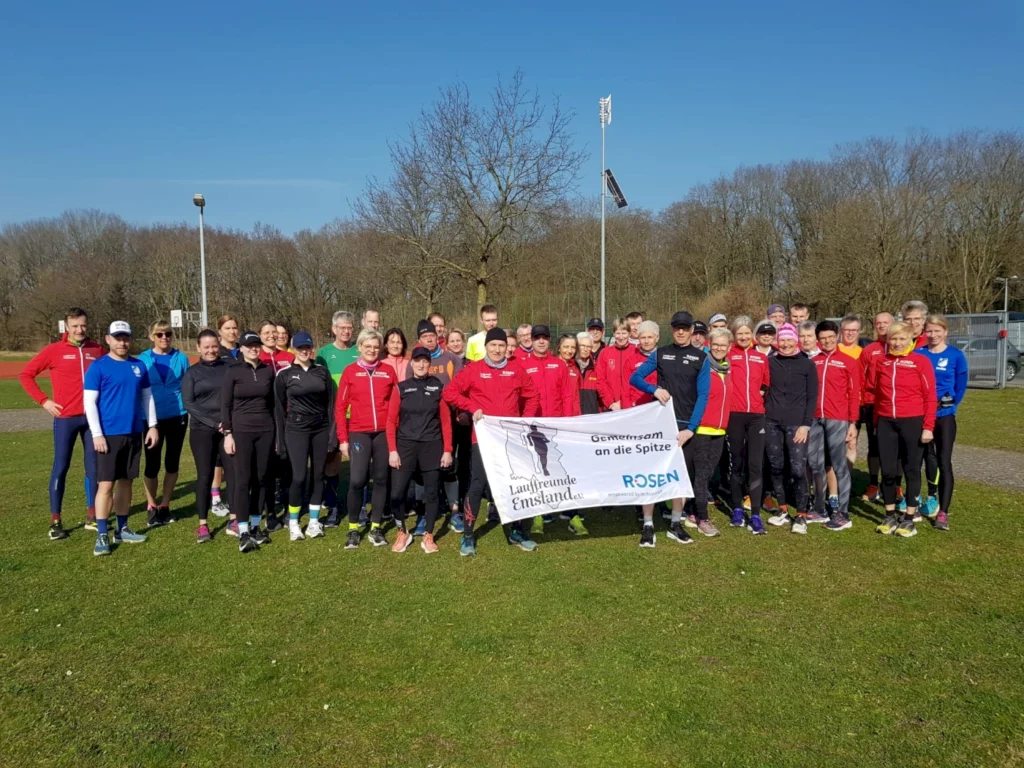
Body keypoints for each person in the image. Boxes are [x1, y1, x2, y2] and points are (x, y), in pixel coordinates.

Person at [443, 327, 541, 556]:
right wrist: (471, 407)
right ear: (485, 347)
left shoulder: (516, 369)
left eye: (501, 346)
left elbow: (533, 395)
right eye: (493, 345)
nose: (497, 350)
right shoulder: (474, 370)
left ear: (507, 348)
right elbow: (450, 393)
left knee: (514, 484)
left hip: (510, 438)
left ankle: (516, 530)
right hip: (483, 439)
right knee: (477, 484)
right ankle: (468, 535)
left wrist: (523, 422)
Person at [19, 306, 104, 540]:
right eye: (75, 326)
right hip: (65, 419)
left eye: (83, 325)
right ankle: (55, 521)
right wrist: (44, 401)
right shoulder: (54, 351)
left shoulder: (96, 349)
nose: (79, 330)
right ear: (66, 327)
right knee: (61, 467)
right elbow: (26, 375)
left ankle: (93, 516)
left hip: (91, 420)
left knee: (94, 469)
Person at [629, 311, 709, 547]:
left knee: (679, 478)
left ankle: (675, 523)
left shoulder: (701, 358)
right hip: (661, 425)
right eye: (677, 328)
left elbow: (703, 395)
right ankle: (647, 525)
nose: (681, 332)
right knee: (652, 475)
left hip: (686, 428)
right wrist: (653, 389)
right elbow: (635, 378)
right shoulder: (661, 353)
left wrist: (691, 428)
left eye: (685, 328)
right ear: (671, 330)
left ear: (692, 331)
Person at [83, 321, 159, 556]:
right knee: (106, 484)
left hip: (133, 433)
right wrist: (97, 434)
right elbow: (90, 403)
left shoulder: (138, 366)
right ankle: (102, 533)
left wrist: (153, 426)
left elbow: (147, 398)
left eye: (125, 337)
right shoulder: (98, 367)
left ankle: (123, 528)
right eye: (117, 337)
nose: (122, 342)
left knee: (127, 482)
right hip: (108, 435)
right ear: (108, 339)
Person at [870, 321, 936, 538]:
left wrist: (928, 427)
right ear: (887, 340)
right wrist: (877, 420)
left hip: (913, 421)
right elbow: (875, 392)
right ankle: (889, 515)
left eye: (901, 339)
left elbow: (930, 396)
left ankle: (909, 518)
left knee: (911, 470)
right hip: (887, 422)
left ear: (910, 340)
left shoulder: (920, 361)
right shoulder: (881, 361)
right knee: (888, 471)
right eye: (893, 339)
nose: (897, 343)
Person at [334, 329, 398, 549]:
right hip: (359, 432)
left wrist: (394, 431)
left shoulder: (388, 371)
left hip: (382, 433)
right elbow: (340, 408)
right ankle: (353, 529)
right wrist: (343, 439)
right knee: (357, 480)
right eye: (367, 346)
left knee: (381, 480)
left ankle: (375, 527)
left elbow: (395, 404)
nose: (371, 350)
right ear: (359, 347)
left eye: (375, 346)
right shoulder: (350, 372)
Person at [387, 346, 453, 554]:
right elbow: (390, 421)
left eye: (425, 361)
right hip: (405, 446)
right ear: (412, 363)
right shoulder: (401, 388)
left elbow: (445, 421)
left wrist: (448, 450)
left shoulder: (438, 387)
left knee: (432, 493)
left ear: (429, 364)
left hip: (432, 445)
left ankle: (429, 535)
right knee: (397, 492)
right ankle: (402, 532)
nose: (421, 364)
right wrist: (392, 450)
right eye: (418, 361)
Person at [275, 331, 335, 542]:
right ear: (293, 349)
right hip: (296, 429)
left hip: (320, 428)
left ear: (312, 349)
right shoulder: (284, 374)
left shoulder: (322, 372)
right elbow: (279, 409)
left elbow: (331, 405)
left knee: (318, 475)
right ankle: (293, 523)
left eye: (307, 347)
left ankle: (313, 522)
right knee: (299, 476)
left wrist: (331, 434)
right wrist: (280, 440)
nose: (304, 351)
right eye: (300, 348)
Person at [521, 324, 581, 536]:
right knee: (538, 469)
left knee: (563, 468)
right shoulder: (523, 364)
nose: (540, 341)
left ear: (549, 341)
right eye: (537, 337)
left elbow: (567, 395)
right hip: (534, 425)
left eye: (544, 337)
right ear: (531, 340)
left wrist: (567, 422)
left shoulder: (559, 365)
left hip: (557, 425)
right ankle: (539, 514)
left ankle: (571, 513)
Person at [222, 331, 277, 553]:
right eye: (249, 345)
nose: (254, 348)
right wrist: (228, 434)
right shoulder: (233, 371)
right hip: (241, 432)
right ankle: (243, 531)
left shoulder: (267, 371)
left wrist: (276, 435)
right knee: (243, 480)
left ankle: (256, 526)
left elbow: (273, 404)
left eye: (257, 345)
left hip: (266, 430)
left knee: (262, 479)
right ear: (241, 348)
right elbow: (225, 405)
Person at [763, 323, 818, 535]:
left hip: (797, 424)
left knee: (797, 469)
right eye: (782, 340)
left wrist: (805, 425)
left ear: (796, 340)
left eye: (789, 340)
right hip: (772, 422)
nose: (785, 344)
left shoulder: (807, 365)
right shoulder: (771, 362)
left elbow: (812, 397)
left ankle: (801, 515)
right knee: (776, 467)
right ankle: (783, 510)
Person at [181, 329, 233, 544]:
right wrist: (214, 423)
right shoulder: (192, 373)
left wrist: (227, 424)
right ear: (198, 349)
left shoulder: (229, 366)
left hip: (228, 431)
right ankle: (203, 524)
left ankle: (234, 519)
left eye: (214, 346)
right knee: (204, 476)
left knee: (233, 473)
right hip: (202, 431)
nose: (211, 350)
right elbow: (188, 403)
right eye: (206, 347)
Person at [809, 321, 860, 532]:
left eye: (830, 337)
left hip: (838, 419)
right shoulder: (813, 362)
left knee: (839, 466)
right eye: (823, 338)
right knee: (815, 463)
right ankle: (820, 509)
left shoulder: (849, 362)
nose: (827, 341)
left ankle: (843, 513)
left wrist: (853, 424)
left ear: (837, 336)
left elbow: (855, 394)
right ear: (818, 339)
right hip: (814, 419)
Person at [138, 320, 190, 527]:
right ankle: (152, 505)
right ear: (152, 336)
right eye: (159, 334)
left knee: (172, 462)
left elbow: (188, 386)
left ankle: (165, 504)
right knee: (152, 464)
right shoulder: (143, 359)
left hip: (177, 416)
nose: (164, 338)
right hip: (151, 419)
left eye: (167, 334)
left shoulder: (181, 358)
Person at [918, 315, 968, 531]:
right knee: (922, 457)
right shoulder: (918, 354)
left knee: (944, 461)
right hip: (921, 415)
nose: (933, 335)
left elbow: (961, 385)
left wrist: (951, 405)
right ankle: (927, 498)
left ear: (945, 332)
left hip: (944, 415)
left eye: (937, 331)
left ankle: (943, 512)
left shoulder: (956, 355)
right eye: (929, 331)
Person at [725, 316, 771, 535]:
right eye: (739, 333)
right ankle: (736, 509)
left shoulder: (760, 357)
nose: (743, 337)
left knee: (755, 465)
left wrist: (760, 394)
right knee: (737, 462)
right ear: (734, 335)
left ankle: (754, 513)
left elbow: (766, 382)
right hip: (734, 415)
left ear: (752, 334)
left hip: (756, 416)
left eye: (746, 333)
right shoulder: (727, 355)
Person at [689, 327, 733, 538]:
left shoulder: (727, 368)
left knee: (706, 473)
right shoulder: (703, 366)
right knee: (700, 474)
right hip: (702, 428)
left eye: (722, 345)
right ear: (709, 344)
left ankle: (691, 511)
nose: (718, 348)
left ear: (729, 348)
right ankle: (702, 518)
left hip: (720, 429)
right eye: (715, 344)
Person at [316, 310, 359, 526]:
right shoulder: (323, 354)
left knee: (359, 464)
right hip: (335, 417)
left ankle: (358, 506)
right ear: (334, 329)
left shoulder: (359, 351)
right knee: (332, 462)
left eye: (349, 327)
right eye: (342, 327)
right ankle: (332, 507)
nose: (346, 331)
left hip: (359, 417)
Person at [859, 312, 893, 501]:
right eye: (878, 323)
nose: (881, 326)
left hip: (894, 405)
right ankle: (873, 483)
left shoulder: (900, 347)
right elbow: (861, 379)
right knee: (874, 446)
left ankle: (895, 486)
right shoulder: (870, 350)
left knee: (895, 448)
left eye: (885, 323)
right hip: (873, 404)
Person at [595, 318, 635, 411]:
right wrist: (610, 402)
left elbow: (639, 379)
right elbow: (600, 379)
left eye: (624, 333)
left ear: (629, 334)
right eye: (618, 333)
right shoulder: (605, 353)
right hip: (611, 406)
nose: (621, 337)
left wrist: (625, 401)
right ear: (613, 333)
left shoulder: (636, 352)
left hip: (631, 405)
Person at [627, 320, 660, 407]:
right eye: (643, 337)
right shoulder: (631, 360)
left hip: (658, 406)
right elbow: (625, 389)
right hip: (636, 407)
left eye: (650, 337)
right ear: (638, 339)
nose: (646, 341)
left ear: (657, 338)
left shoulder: (664, 358)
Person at [574, 332, 601, 415]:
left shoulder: (595, 368)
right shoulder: (570, 367)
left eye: (588, 346)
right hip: (574, 416)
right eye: (582, 345)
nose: (585, 349)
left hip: (591, 417)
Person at [557, 333, 580, 413]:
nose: (570, 351)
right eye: (566, 347)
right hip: (557, 415)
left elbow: (576, 396)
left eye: (573, 347)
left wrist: (577, 414)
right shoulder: (552, 367)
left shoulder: (575, 368)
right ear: (559, 348)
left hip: (573, 415)